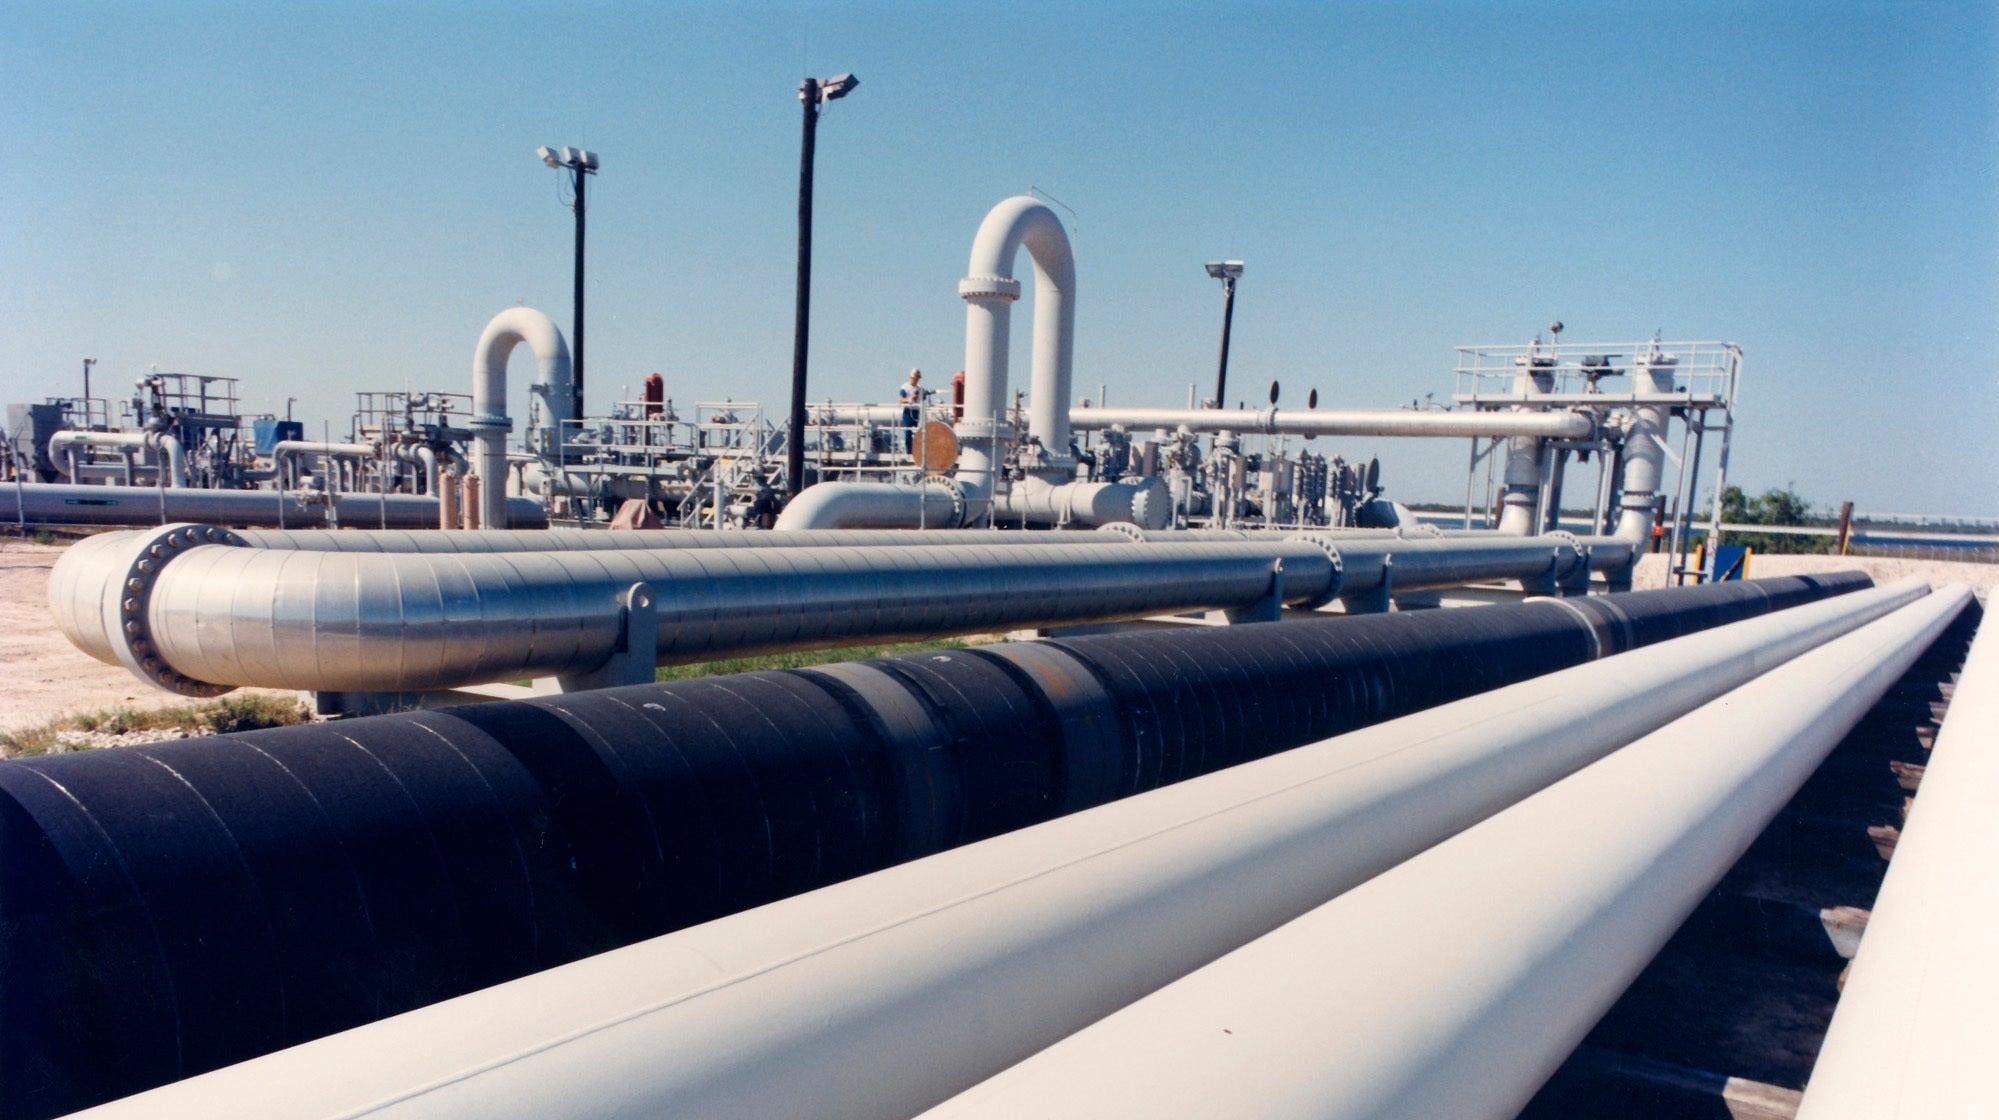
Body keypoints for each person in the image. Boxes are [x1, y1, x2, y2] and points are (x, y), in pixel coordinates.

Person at [898, 368, 924, 454]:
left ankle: (915, 450)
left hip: (916, 411)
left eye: (918, 379)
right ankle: (909, 451)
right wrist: (909, 399)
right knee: (908, 432)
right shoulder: (905, 387)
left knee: (916, 432)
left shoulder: (920, 388)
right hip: (908, 412)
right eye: (916, 378)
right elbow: (900, 400)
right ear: (912, 378)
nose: (917, 380)